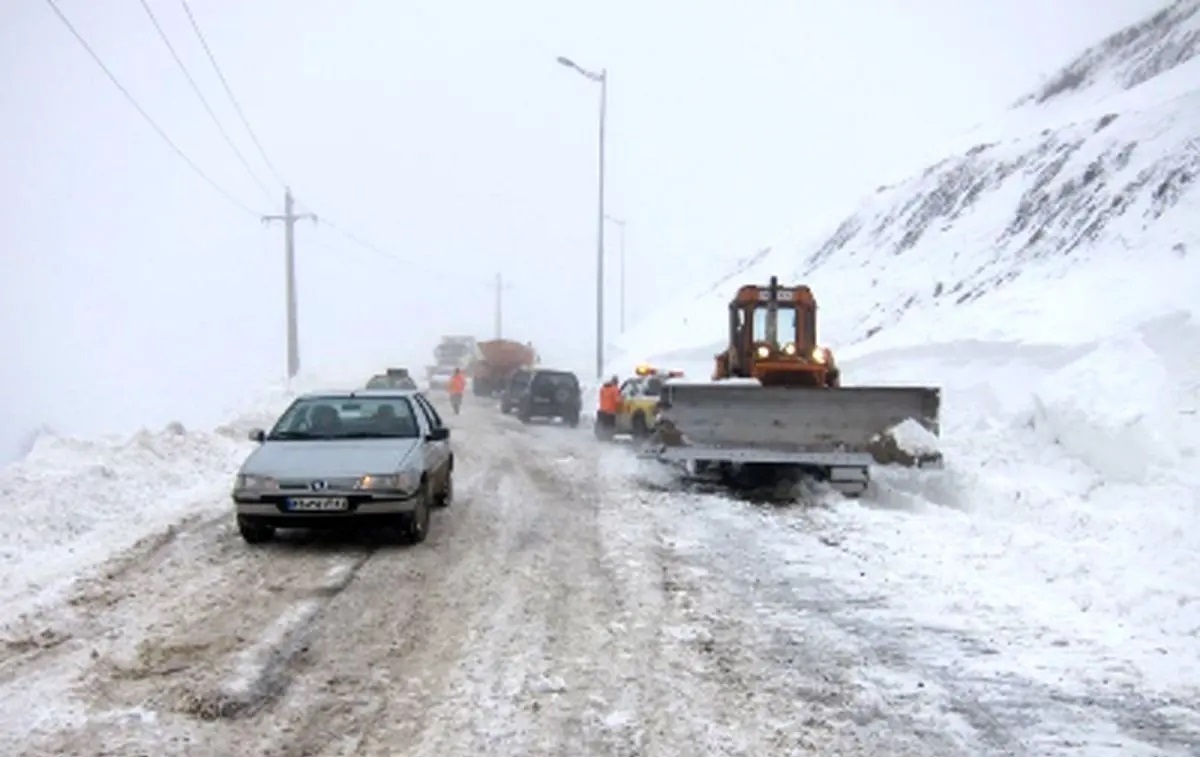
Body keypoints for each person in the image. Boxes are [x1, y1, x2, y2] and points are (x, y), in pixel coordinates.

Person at [594, 375, 621, 441]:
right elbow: (617, 400)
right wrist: (621, 398)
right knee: (609, 428)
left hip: (602, 411)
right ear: (616, 382)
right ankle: (608, 439)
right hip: (610, 413)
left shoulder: (603, 388)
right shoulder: (615, 389)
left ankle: (601, 438)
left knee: (602, 426)